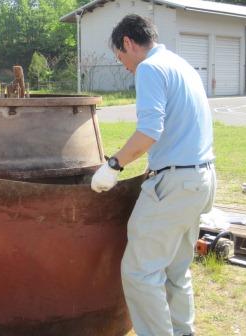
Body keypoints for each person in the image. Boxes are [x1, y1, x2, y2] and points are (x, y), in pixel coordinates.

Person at [90, 14, 216, 336]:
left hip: (174, 184)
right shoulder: (181, 65)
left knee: (139, 271)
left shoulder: (149, 68)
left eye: (121, 58)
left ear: (129, 43)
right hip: (201, 180)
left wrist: (114, 164)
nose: (125, 66)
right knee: (176, 270)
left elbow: (149, 131)